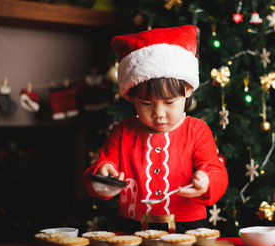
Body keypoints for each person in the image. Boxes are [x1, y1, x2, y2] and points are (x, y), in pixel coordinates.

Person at [83, 25, 228, 234]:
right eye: (146, 104)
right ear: (131, 96)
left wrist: (206, 180)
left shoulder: (197, 130)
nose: (159, 113)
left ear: (187, 90)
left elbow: (215, 169)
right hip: (131, 230)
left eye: (169, 102)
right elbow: (99, 169)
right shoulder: (123, 132)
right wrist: (102, 174)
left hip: (189, 230)